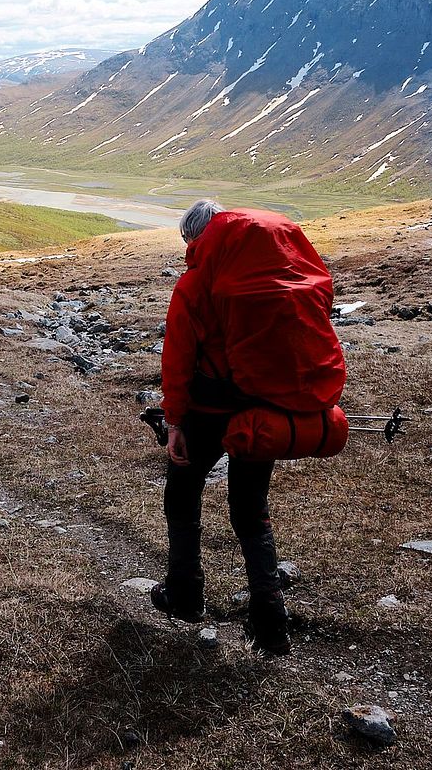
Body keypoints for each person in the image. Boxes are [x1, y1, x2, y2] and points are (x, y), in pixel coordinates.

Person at [153, 198, 342, 657]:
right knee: (250, 509)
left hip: (208, 410)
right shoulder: (284, 276)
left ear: (198, 238)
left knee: (182, 490)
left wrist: (175, 420)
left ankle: (185, 594)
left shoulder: (196, 285)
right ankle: (271, 625)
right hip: (263, 409)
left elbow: (177, 359)